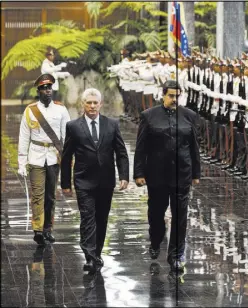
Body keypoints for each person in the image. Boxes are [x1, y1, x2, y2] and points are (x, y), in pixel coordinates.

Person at [133, 79, 201, 271]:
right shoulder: (149, 116)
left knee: (180, 215)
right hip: (157, 174)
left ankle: (176, 255)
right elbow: (141, 147)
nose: (174, 99)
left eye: (177, 96)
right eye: (171, 95)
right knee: (156, 214)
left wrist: (196, 172)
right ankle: (155, 240)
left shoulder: (189, 116)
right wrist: (139, 173)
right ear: (163, 95)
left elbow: (195, 146)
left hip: (182, 174)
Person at [60, 88, 129, 272]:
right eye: (88, 102)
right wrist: (65, 184)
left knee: (102, 218)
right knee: (87, 217)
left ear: (101, 104)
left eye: (95, 102)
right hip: (83, 181)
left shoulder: (112, 124)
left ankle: (97, 252)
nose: (91, 106)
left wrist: (124, 176)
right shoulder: (73, 126)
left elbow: (121, 153)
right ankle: (89, 256)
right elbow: (66, 157)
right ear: (83, 104)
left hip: (106, 181)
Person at [17, 73, 71, 245]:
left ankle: (48, 228)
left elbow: (67, 135)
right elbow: (24, 137)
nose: (47, 91)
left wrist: (68, 158)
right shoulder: (30, 111)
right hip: (36, 156)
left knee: (50, 196)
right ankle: (38, 230)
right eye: (44, 88)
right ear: (38, 91)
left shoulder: (61, 110)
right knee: (37, 195)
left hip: (54, 157)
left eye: (49, 88)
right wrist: (21, 162)